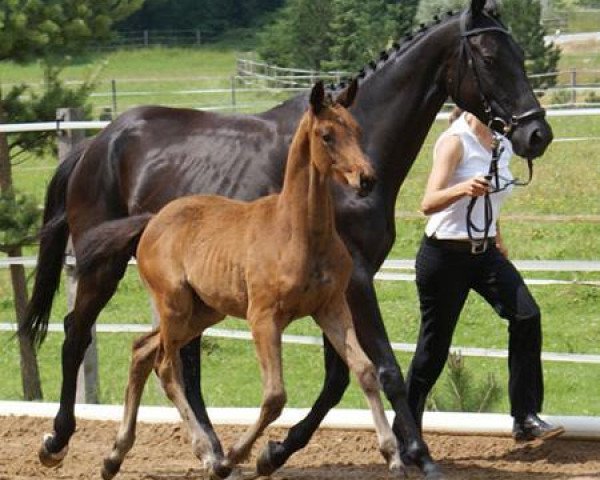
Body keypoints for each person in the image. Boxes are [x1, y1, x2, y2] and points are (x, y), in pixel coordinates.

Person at [405, 108, 564, 442]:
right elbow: (427, 202)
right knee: (433, 348)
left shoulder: (502, 143)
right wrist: (462, 188)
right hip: (444, 256)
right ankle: (406, 428)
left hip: (485, 253)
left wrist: (498, 238)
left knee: (527, 316)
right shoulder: (454, 141)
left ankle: (525, 418)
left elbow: (493, 196)